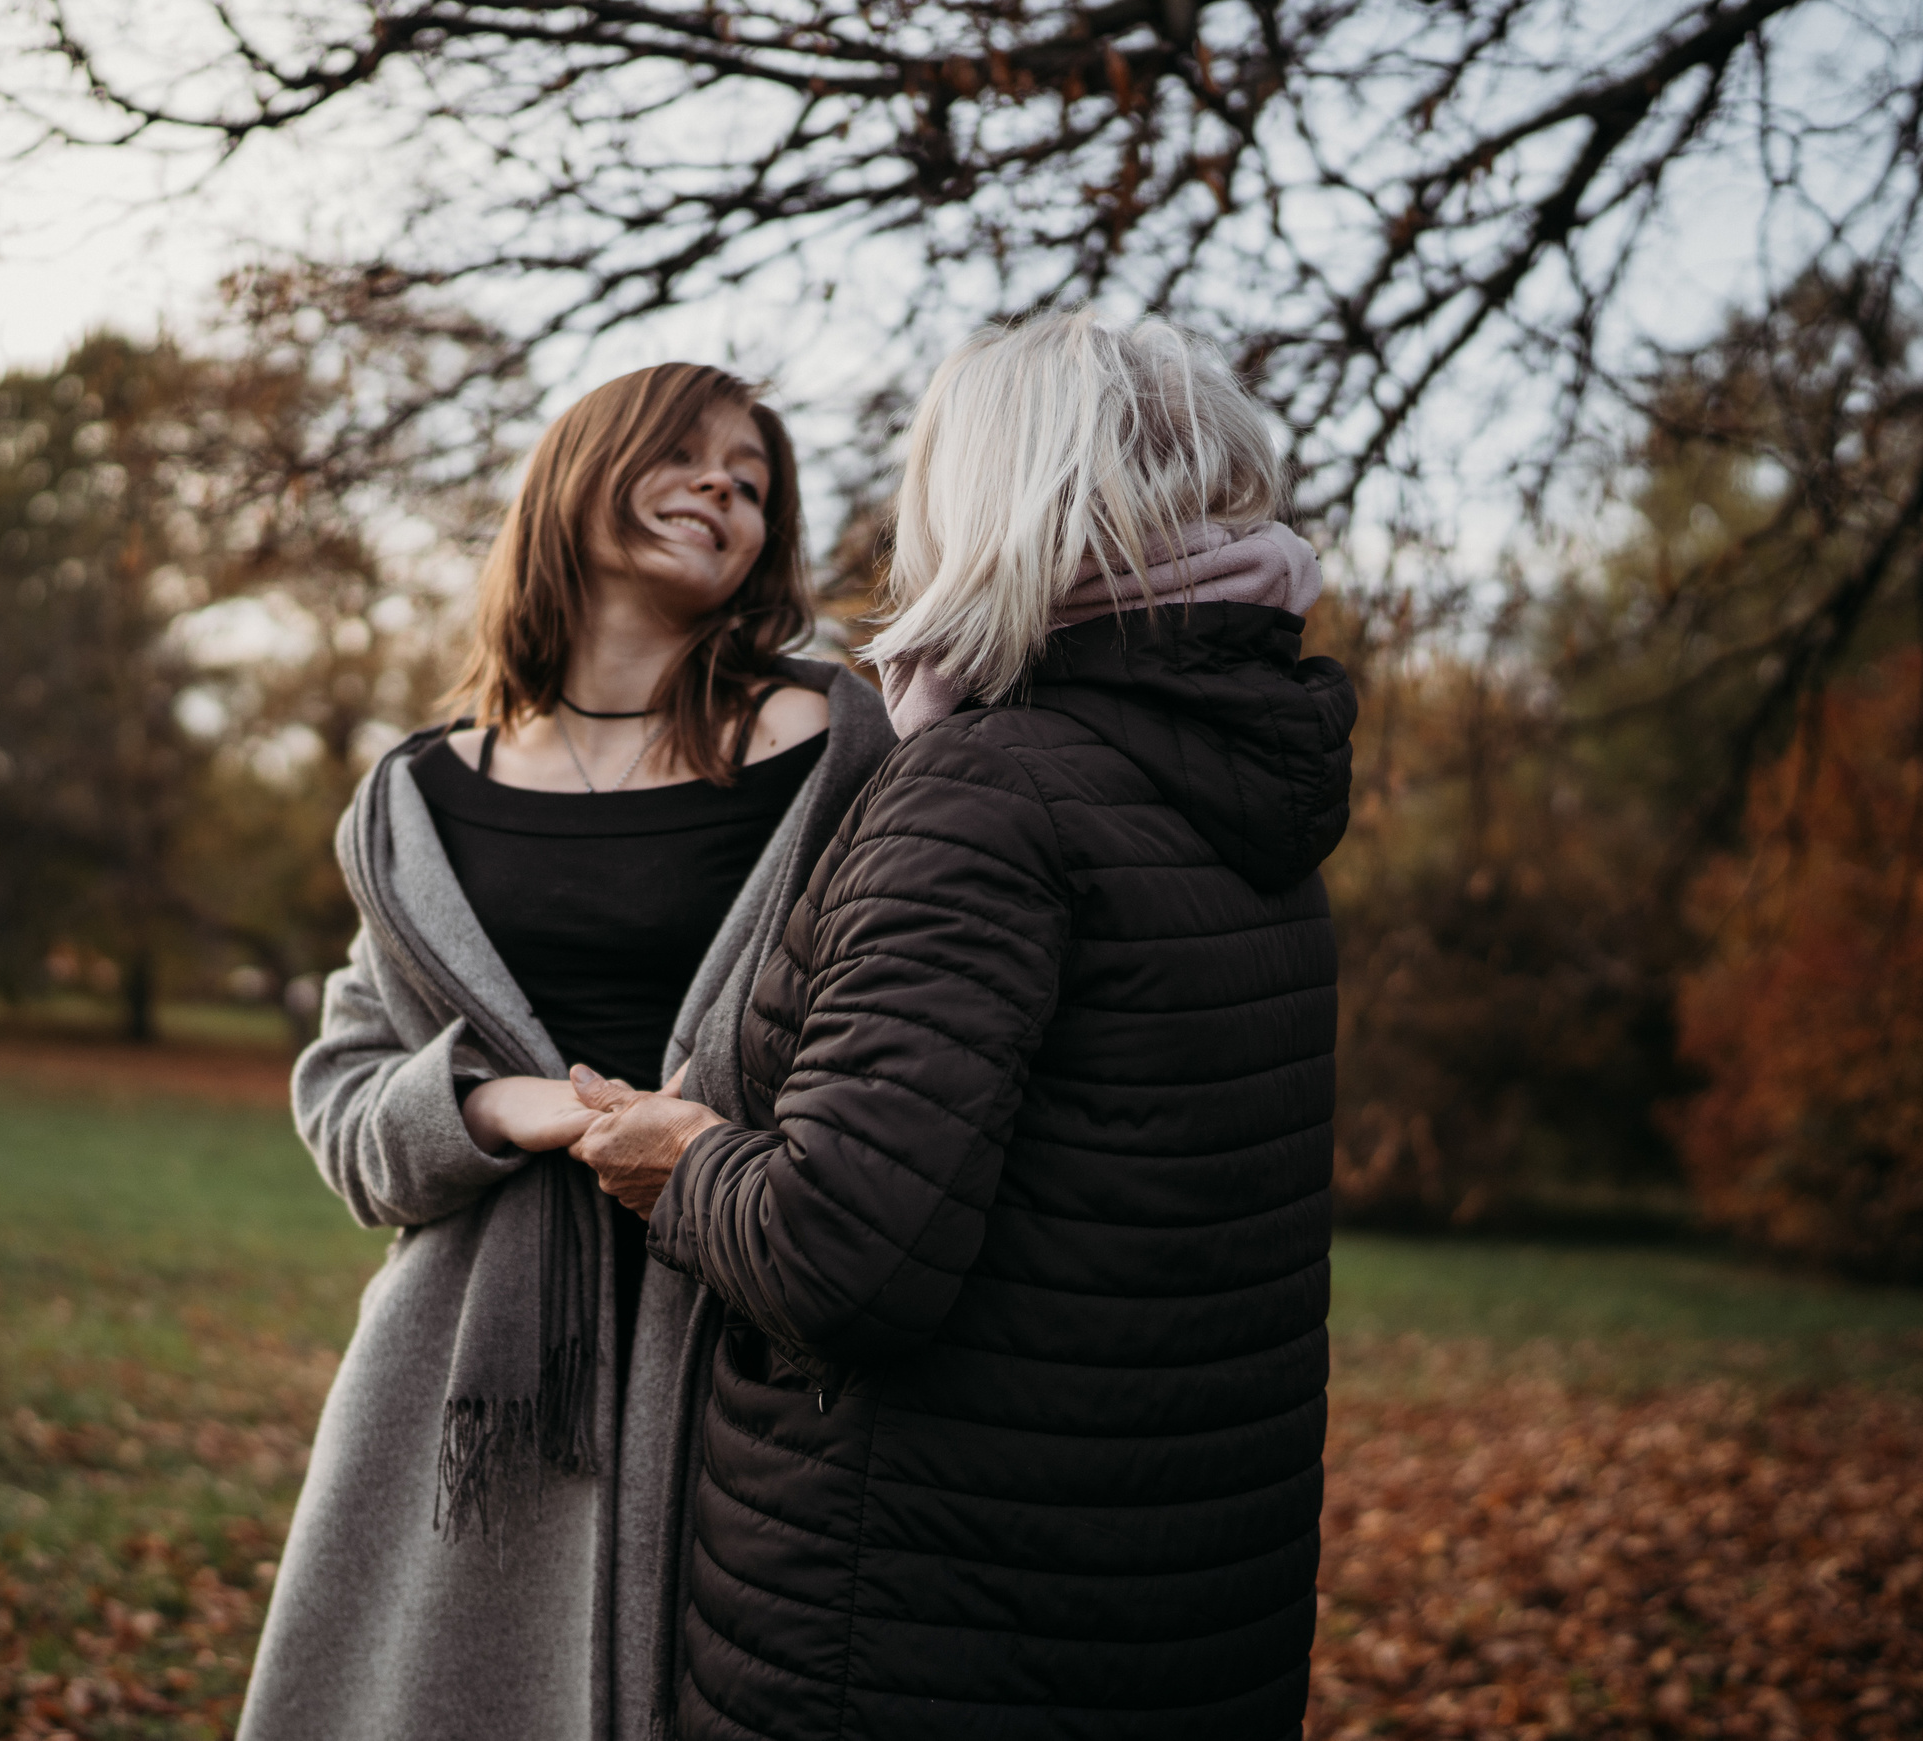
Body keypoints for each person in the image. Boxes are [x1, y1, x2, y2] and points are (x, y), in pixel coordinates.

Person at [569, 308, 1358, 1739]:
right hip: (1176, 1624)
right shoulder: (1253, 804)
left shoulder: (989, 789)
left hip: (905, 1632)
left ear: (996, 498)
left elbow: (843, 1254)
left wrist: (677, 1155)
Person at [240, 363, 896, 1741]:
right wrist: (501, 1104)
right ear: (582, 470)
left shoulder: (828, 745)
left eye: (755, 480)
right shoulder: (421, 796)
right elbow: (349, 1113)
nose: (726, 487)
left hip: (729, 1340)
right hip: (462, 1390)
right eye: (688, 453)